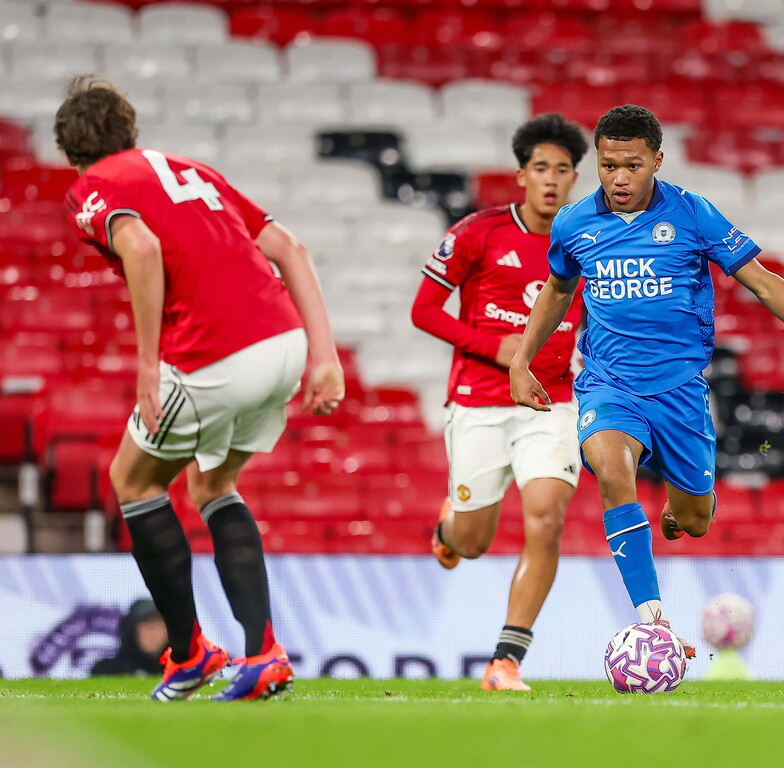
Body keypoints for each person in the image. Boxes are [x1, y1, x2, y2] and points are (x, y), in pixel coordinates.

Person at [509, 104, 784, 655]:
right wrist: (522, 360)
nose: (619, 178)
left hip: (680, 391)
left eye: (632, 165)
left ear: (657, 160)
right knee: (611, 467)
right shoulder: (574, 222)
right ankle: (652, 620)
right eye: (608, 166)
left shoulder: (693, 214)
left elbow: (764, 282)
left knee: (697, 521)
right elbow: (558, 292)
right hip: (609, 382)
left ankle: (680, 508)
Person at [55, 75, 345, 701]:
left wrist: (147, 362)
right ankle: (263, 655)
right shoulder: (195, 170)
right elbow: (290, 248)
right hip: (284, 345)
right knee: (212, 483)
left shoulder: (93, 186)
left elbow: (142, 248)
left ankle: (188, 654)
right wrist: (324, 357)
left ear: (71, 153)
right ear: (130, 129)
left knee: (133, 481)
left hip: (215, 355)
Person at [411, 114, 588, 691]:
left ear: (574, 178)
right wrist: (498, 346)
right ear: (521, 175)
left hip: (553, 401)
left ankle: (505, 661)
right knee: (473, 542)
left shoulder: (591, 240)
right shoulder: (476, 233)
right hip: (479, 400)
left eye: (563, 170)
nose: (552, 180)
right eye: (542, 168)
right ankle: (449, 530)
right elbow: (424, 311)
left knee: (546, 517)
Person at [90, 599, 168, 677]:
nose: (153, 633)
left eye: (158, 626)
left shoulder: (177, 673)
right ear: (132, 630)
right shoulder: (107, 672)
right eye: (147, 625)